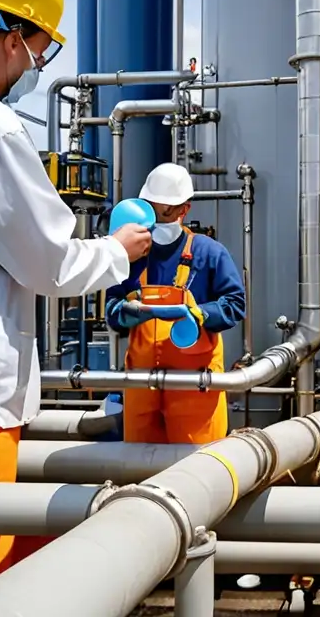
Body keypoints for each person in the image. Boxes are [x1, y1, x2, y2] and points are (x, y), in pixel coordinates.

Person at [0, 0, 151, 614]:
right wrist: (117, 249)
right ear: (15, 37)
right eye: (42, 50)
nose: (36, 67)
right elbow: (49, 263)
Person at [105, 162, 246, 444]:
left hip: (195, 387)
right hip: (141, 385)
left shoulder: (209, 253)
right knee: (136, 465)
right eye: (154, 207)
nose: (160, 216)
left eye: (168, 209)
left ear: (185, 209)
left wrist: (200, 314)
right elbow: (111, 306)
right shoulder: (130, 253)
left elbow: (234, 304)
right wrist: (124, 313)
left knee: (196, 471)